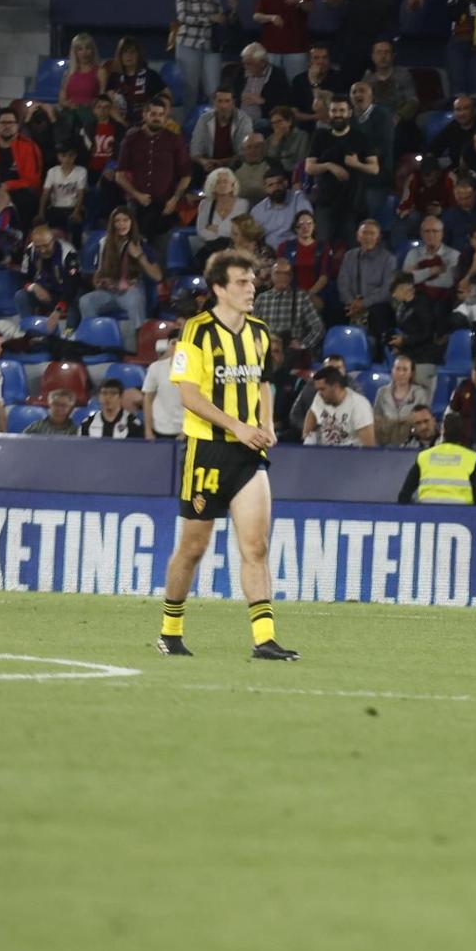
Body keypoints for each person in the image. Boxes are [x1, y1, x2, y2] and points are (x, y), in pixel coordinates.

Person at [159, 251, 299, 660]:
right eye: (241, 281)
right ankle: (170, 630)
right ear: (219, 288)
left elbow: (263, 383)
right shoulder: (196, 333)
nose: (251, 287)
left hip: (248, 456)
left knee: (255, 546)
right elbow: (188, 396)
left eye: (253, 281)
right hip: (207, 451)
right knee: (193, 548)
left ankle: (264, 639)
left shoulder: (258, 331)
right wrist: (237, 425)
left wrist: (267, 423)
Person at [397, 413, 476, 503]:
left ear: (443, 431)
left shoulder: (425, 457)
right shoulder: (469, 458)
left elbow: (404, 494)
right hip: (460, 514)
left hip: (427, 514)